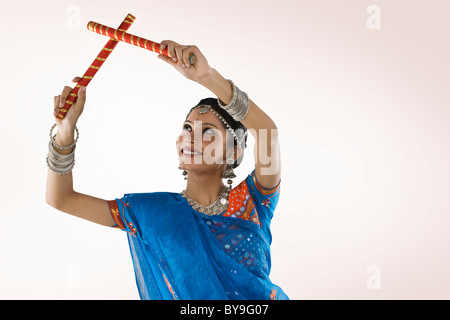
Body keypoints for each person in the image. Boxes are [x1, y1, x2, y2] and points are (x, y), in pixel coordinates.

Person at [46, 40, 288, 300]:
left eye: (208, 131)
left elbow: (267, 133)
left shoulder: (254, 202)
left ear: (234, 151)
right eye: (187, 128)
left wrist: (208, 77)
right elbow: (61, 199)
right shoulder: (152, 213)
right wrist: (65, 131)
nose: (190, 138)